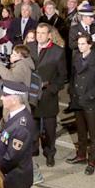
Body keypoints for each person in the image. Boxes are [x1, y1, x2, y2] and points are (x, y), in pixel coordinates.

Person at [65, 32, 95, 175]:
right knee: (81, 131)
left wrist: (88, 96)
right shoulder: (76, 56)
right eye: (79, 43)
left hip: (90, 102)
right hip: (77, 100)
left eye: (83, 44)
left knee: (93, 134)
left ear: (90, 44)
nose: (80, 46)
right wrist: (71, 91)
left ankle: (92, 161)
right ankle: (81, 155)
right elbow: (73, 76)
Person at [34, 23, 67, 168]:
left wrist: (52, 89)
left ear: (49, 35)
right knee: (32, 126)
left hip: (48, 95)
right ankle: (33, 150)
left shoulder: (58, 51)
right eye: (37, 33)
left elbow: (62, 75)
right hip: (32, 95)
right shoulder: (29, 47)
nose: (39, 36)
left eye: (42, 33)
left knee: (49, 129)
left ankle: (50, 153)